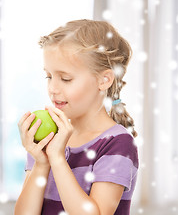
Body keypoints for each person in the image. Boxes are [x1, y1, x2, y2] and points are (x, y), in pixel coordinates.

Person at [15, 19, 139, 215]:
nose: (53, 88)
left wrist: (57, 159)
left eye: (65, 79)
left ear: (104, 80)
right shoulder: (48, 137)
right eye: (49, 76)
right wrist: (41, 163)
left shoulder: (118, 144)